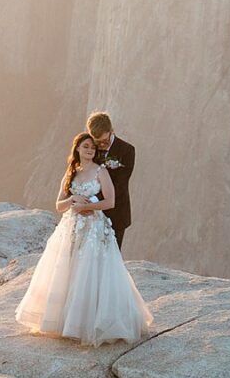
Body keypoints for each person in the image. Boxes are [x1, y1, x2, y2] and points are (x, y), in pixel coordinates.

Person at [14, 131, 153, 346]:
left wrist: (86, 206)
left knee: (92, 271)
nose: (89, 150)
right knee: (68, 271)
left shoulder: (101, 171)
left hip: (94, 227)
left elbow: (110, 202)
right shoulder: (71, 172)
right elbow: (59, 205)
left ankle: (93, 323)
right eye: (86, 146)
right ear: (77, 148)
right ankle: (65, 322)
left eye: (92, 148)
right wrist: (72, 199)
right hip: (71, 227)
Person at [86, 111, 134, 251]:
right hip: (90, 214)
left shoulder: (127, 151)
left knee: (112, 255)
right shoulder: (90, 147)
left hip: (116, 212)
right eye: (97, 142)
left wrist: (94, 201)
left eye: (104, 141)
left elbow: (120, 184)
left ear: (111, 131)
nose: (101, 145)